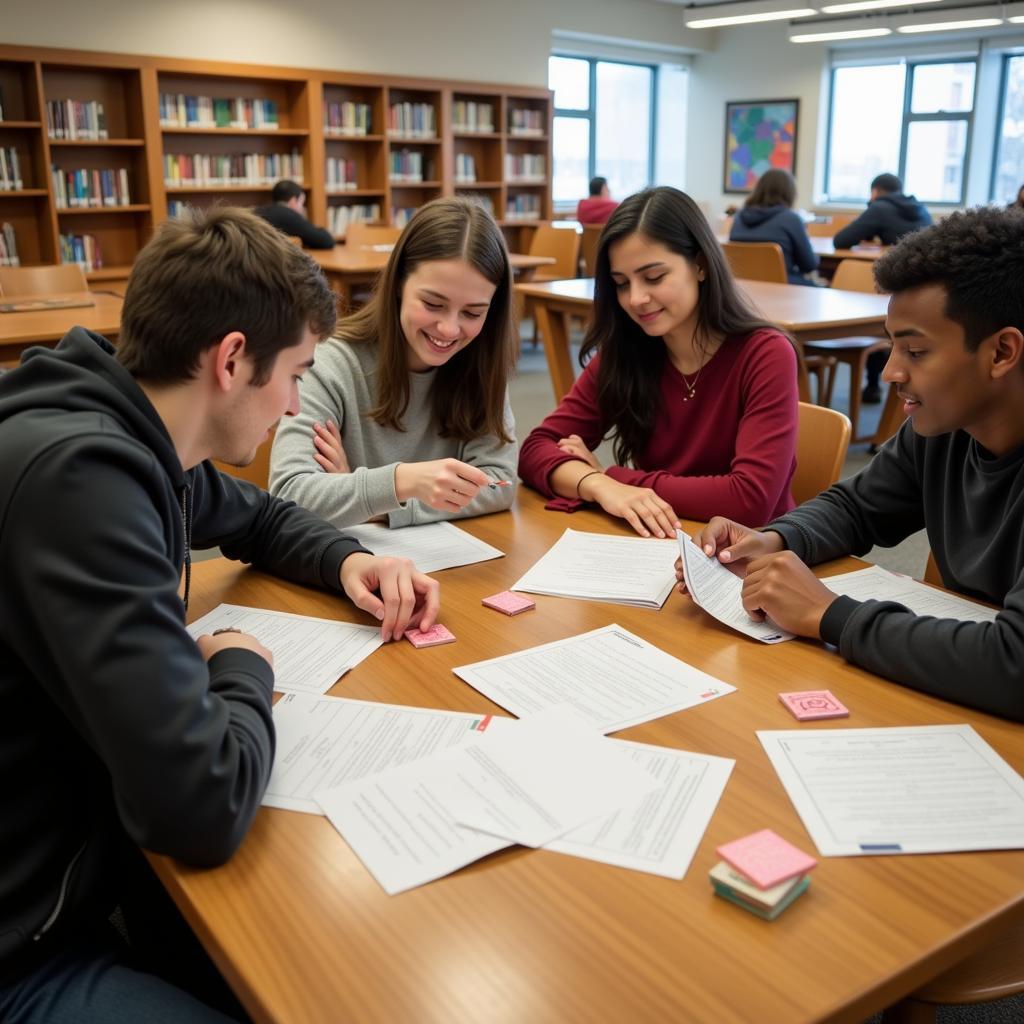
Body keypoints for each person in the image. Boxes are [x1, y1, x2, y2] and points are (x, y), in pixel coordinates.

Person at [0, 207, 440, 1022]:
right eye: (298, 373)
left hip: (82, 856)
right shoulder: (83, 485)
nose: (298, 401)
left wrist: (353, 559)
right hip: (26, 938)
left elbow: (259, 518)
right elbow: (199, 806)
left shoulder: (134, 426)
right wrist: (243, 664)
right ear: (233, 359)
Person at [683, 206, 1024, 722]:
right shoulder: (942, 429)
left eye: (915, 351)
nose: (890, 372)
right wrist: (774, 539)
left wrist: (826, 613)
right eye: (892, 346)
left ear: (1001, 353)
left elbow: (1014, 665)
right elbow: (858, 506)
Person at [519, 186, 799, 539]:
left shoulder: (765, 354)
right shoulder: (627, 350)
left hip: (747, 556)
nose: (636, 299)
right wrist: (597, 485)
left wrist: (614, 477)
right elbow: (534, 451)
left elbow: (748, 500)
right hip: (662, 543)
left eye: (654, 277)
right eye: (621, 283)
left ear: (699, 265)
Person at [270, 196, 518, 528]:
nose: (449, 329)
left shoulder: (480, 363)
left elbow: (499, 483)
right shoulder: (330, 364)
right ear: (399, 283)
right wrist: (403, 481)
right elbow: (290, 496)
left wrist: (368, 500)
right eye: (432, 304)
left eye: (472, 312)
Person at [834, 173, 933, 403]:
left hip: (887, 291)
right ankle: (877, 386)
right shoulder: (921, 209)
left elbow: (842, 239)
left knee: (877, 313)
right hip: (923, 298)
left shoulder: (879, 208)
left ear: (875, 192)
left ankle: (873, 383)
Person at [728, 168, 818, 286]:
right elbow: (809, 265)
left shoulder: (739, 218)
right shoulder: (791, 219)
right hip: (782, 288)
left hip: (743, 289)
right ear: (790, 193)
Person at [254, 178, 335, 249]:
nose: (302, 208)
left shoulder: (258, 211)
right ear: (293, 200)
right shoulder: (287, 215)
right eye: (301, 203)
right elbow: (326, 241)